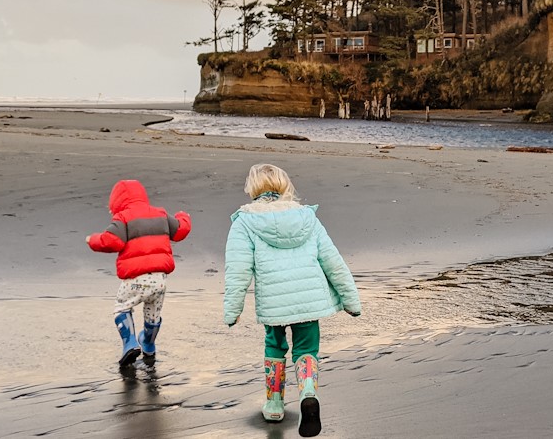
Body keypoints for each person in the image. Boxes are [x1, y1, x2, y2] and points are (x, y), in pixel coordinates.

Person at [224, 164, 361, 437]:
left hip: (274, 302)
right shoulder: (306, 216)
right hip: (309, 300)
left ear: (252, 187)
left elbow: (238, 269)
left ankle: (274, 404)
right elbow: (332, 261)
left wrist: (233, 309)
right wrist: (350, 299)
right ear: (285, 185)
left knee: (274, 346)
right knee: (307, 348)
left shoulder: (245, 221)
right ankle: (308, 391)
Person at [86, 180, 191, 367]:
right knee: (153, 315)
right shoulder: (160, 214)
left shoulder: (123, 218)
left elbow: (111, 241)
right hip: (159, 280)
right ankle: (149, 345)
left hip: (135, 279)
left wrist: (92, 239)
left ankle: (129, 343)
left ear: (117, 202)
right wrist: (183, 216)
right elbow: (180, 231)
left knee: (122, 307)